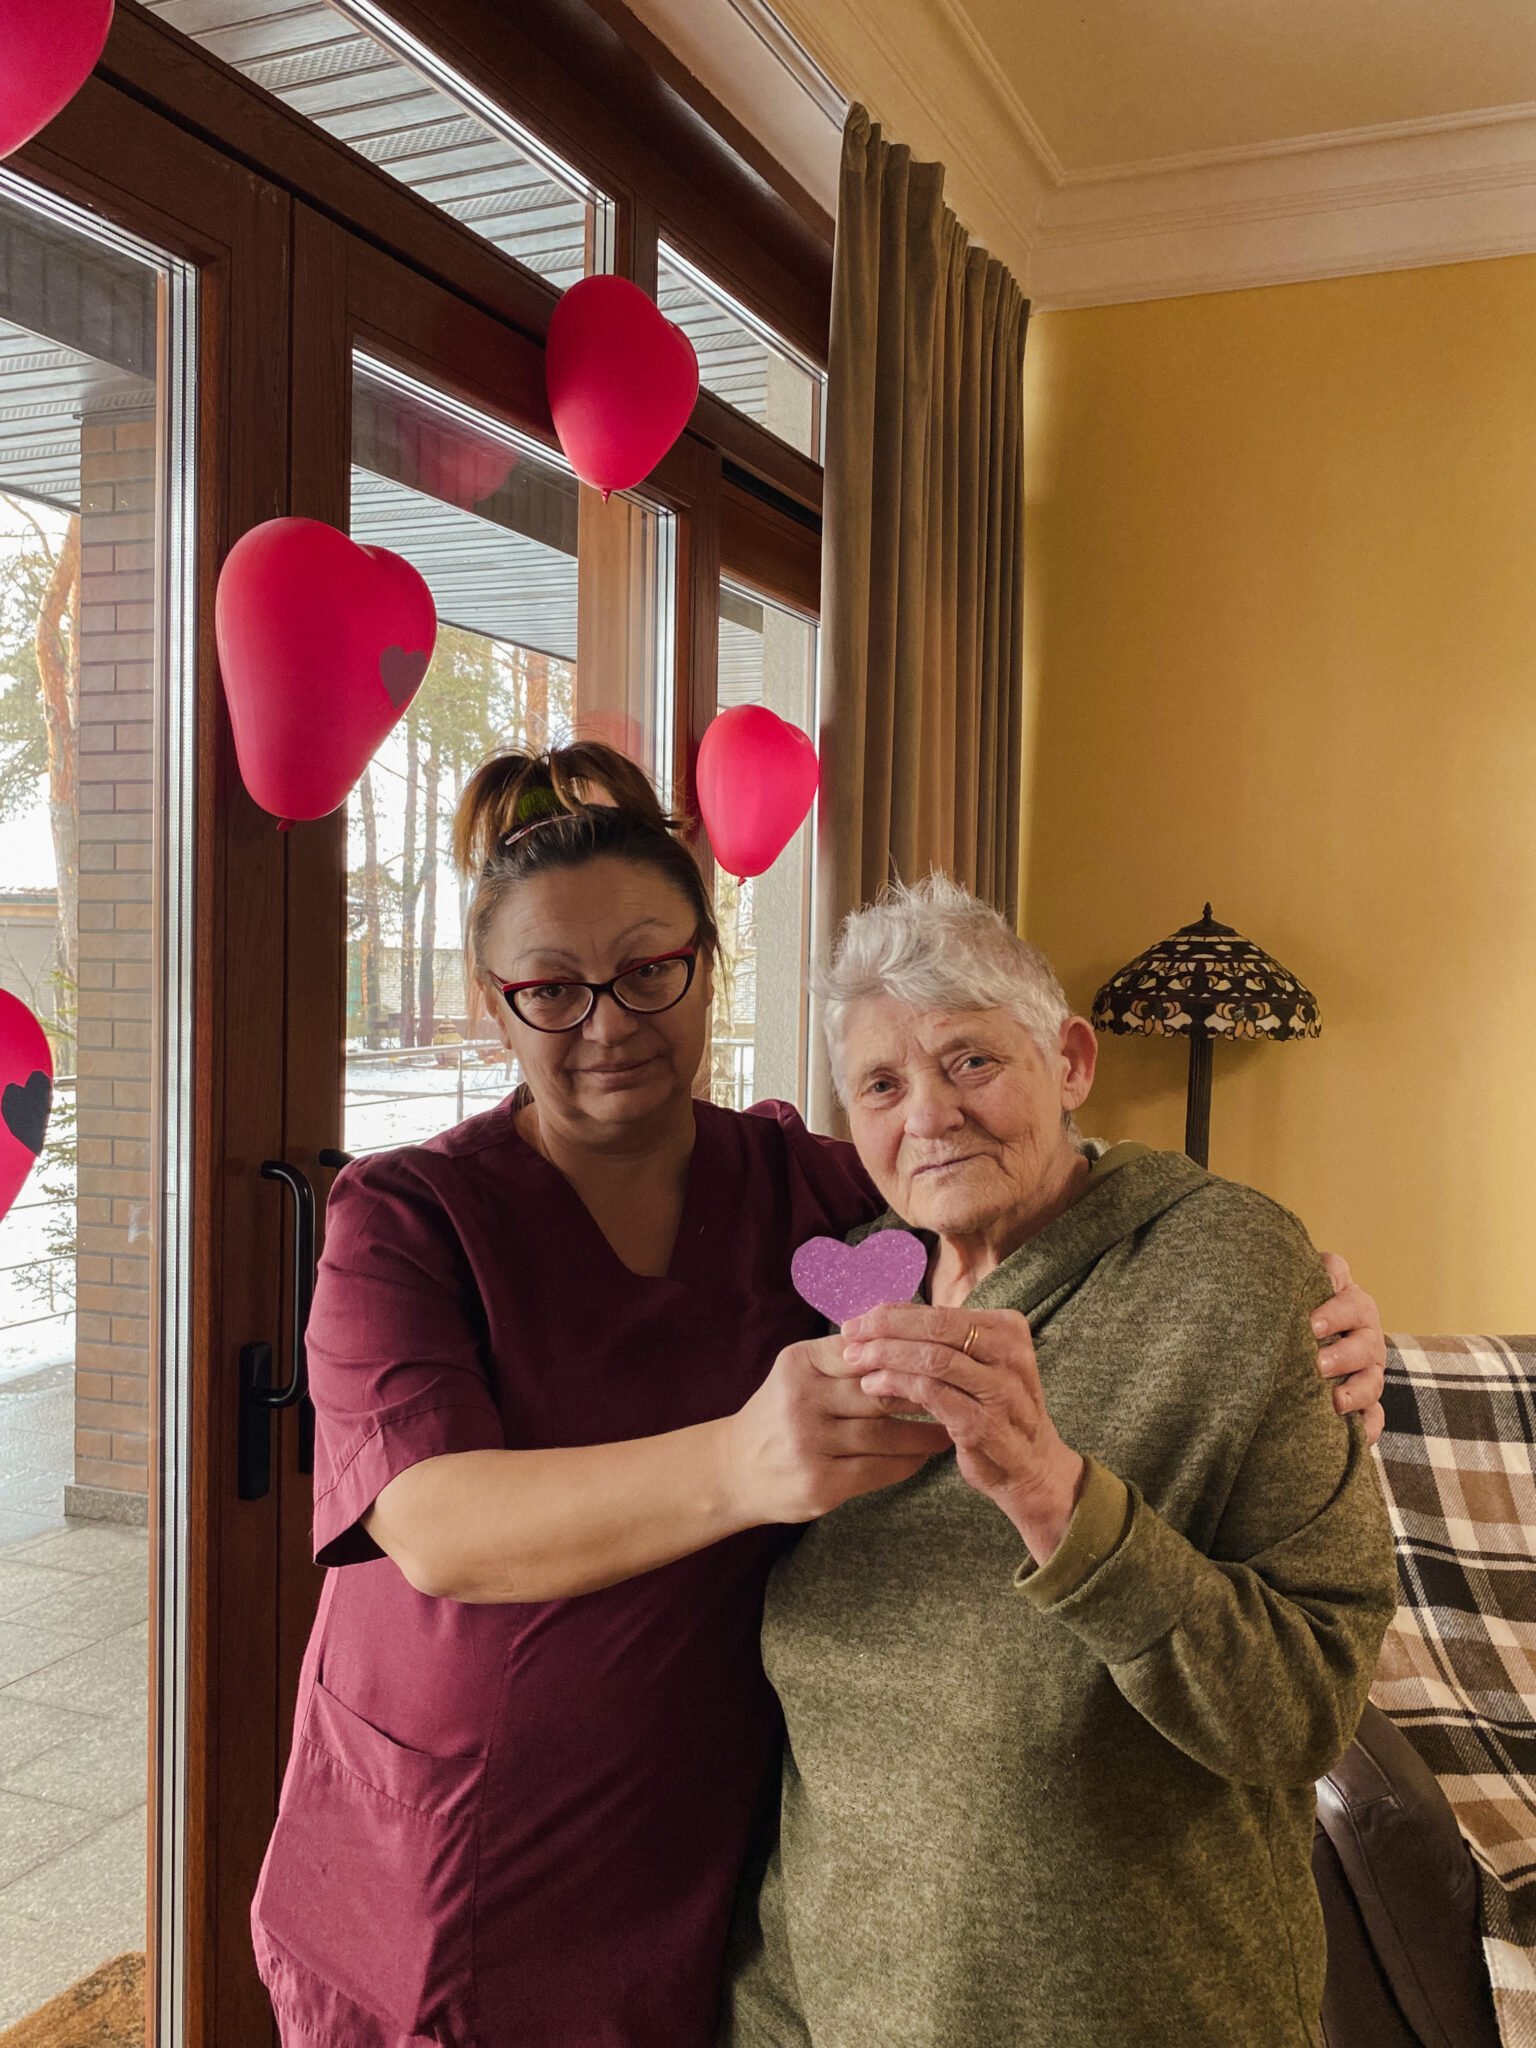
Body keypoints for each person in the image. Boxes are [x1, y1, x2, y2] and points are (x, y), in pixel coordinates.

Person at [248, 744, 1386, 2048]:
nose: (608, 1022)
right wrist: (743, 1462)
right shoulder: (403, 1217)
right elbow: (433, 1525)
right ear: (493, 1004)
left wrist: (1294, 1294)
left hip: (708, 1851)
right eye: (552, 988)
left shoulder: (814, 1194)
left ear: (706, 964)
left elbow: (1016, 1179)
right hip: (450, 1852)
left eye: (649, 969)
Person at [719, 875, 1398, 2048]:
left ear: (1072, 1061)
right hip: (826, 2009)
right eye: (882, 1084)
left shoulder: (1235, 1273)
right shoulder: (842, 1291)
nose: (930, 1114)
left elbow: (1304, 1710)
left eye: (972, 1059)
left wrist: (1053, 1493)